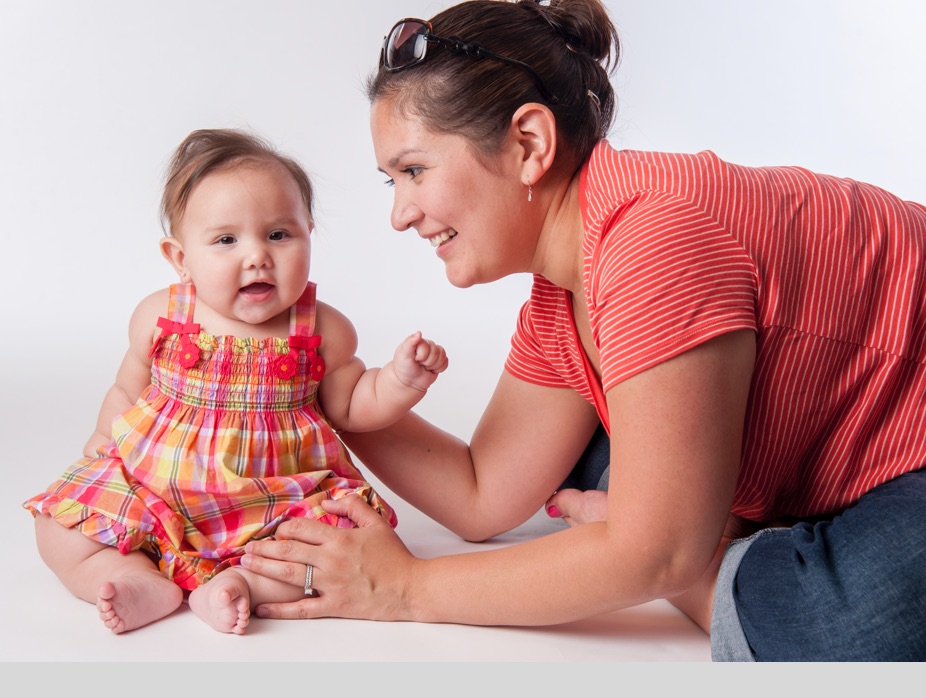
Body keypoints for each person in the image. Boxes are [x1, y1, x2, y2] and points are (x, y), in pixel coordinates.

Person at [239, 0, 926, 661]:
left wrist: (404, 588)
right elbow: (483, 493)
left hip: (911, 446)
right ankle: (715, 531)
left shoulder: (651, 239)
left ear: (530, 144)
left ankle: (719, 545)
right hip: (823, 448)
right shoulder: (562, 293)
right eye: (392, 180)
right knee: (598, 461)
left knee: (858, 626)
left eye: (414, 170)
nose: (400, 214)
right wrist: (333, 388)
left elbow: (657, 554)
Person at [23, 128, 448, 635]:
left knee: (332, 552)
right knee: (60, 529)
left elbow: (354, 406)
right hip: (155, 487)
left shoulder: (322, 330)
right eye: (227, 240)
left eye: (278, 234)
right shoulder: (161, 316)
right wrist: (101, 444)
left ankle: (243, 585)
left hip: (273, 502)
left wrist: (402, 380)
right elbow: (126, 389)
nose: (257, 256)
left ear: (309, 232)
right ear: (181, 259)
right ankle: (131, 576)